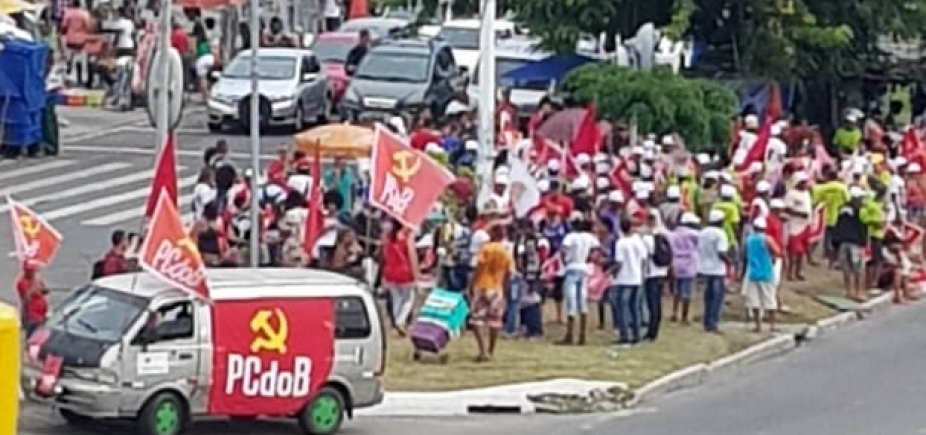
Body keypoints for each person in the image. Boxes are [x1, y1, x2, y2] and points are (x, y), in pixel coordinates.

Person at [469, 224, 513, 361]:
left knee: (476, 319)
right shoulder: (506, 252)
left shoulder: (486, 249)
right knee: (495, 321)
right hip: (497, 288)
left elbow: (479, 267)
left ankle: (482, 350)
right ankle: (491, 350)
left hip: (482, 285)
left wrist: (472, 284)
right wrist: (505, 290)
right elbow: (509, 273)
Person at [558, 216, 599, 345]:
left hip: (572, 267)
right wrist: (589, 259)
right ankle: (582, 335)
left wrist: (565, 262)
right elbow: (596, 248)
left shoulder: (570, 237)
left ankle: (570, 335)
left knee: (571, 302)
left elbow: (563, 251)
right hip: (583, 268)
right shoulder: (588, 237)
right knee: (583, 301)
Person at [610, 217, 646, 345]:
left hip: (624, 279)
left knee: (622, 307)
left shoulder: (621, 243)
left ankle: (625, 335)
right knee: (635, 308)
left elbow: (619, 262)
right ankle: (636, 335)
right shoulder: (638, 241)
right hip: (636, 278)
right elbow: (643, 259)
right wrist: (641, 274)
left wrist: (612, 273)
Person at [381, 219, 420, 336]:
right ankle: (400, 321)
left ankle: (397, 323)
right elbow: (412, 256)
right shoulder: (407, 236)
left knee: (397, 299)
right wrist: (416, 274)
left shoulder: (387, 237)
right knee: (409, 299)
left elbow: (384, 255)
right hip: (405, 272)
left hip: (390, 271)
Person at [742, 217, 782, 332]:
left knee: (754, 301)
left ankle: (757, 325)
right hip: (766, 272)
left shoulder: (749, 240)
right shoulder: (767, 239)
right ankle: (772, 325)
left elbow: (744, 253)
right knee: (769, 299)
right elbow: (777, 251)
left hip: (753, 273)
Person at [832, 186, 869, 300]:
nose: (861, 200)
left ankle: (850, 292)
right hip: (854, 243)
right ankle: (857, 292)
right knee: (857, 269)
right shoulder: (860, 211)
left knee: (848, 269)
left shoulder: (842, 210)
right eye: (860, 198)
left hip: (843, 242)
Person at [699, 209, 731, 333]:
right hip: (717, 269)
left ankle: (707, 321)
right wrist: (729, 261)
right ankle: (713, 323)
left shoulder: (703, 232)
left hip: (704, 267)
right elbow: (721, 252)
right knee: (717, 297)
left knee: (708, 297)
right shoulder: (720, 234)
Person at [641, 212, 670, 341]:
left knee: (652, 304)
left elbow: (645, 255)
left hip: (651, 273)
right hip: (662, 272)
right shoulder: (663, 235)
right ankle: (654, 330)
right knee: (657, 304)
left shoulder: (648, 238)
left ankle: (652, 332)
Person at [669, 212, 700, 322]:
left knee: (677, 291)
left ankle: (674, 312)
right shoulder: (694, 234)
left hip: (676, 262)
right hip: (689, 264)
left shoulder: (674, 233)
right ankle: (684, 316)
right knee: (687, 292)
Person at [17, 261, 48, 335]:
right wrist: (34, 283)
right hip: (32, 315)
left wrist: (42, 286)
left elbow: (44, 291)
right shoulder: (22, 282)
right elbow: (27, 297)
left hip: (42, 313)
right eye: (31, 271)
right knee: (32, 335)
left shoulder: (38, 279)